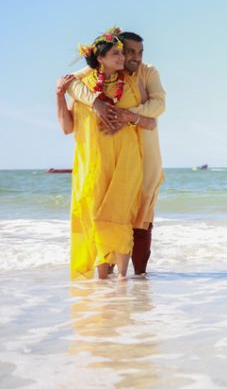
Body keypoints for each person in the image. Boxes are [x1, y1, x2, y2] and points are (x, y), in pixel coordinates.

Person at [56, 27, 156, 280]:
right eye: (116, 53)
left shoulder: (131, 83)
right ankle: (102, 280)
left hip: (126, 161)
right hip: (93, 163)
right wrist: (61, 95)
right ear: (99, 58)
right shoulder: (82, 89)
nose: (122, 58)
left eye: (123, 53)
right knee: (94, 215)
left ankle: (122, 278)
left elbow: (151, 122)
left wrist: (127, 117)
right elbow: (68, 127)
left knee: (120, 215)